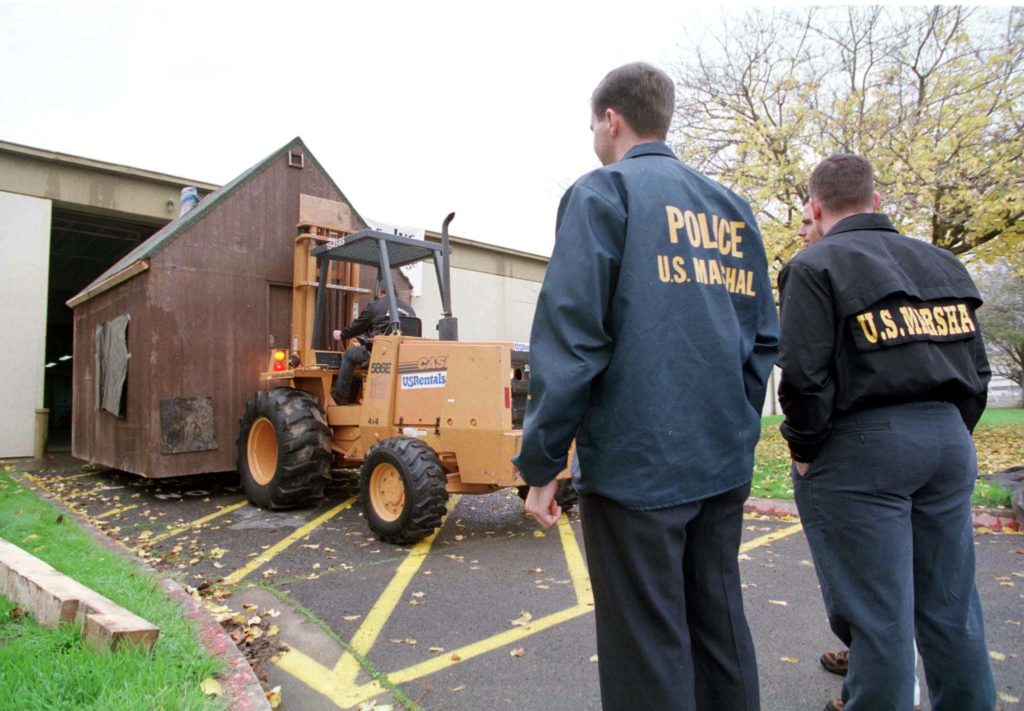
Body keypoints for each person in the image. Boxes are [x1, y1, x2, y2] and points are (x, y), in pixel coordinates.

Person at [513, 62, 779, 710]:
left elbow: (573, 340)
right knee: (720, 632)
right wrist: (736, 429)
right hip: (720, 463)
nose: (593, 136)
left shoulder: (604, 194)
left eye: (593, 123)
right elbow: (762, 340)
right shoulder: (733, 210)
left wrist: (543, 462)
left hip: (638, 473)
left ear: (612, 118)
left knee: (646, 647)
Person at [777, 154, 995, 711]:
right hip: (948, 441)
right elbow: (978, 370)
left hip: (863, 448)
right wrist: (950, 430)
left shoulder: (813, 266)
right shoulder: (945, 264)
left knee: (879, 620)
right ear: (876, 202)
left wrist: (803, 451)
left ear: (816, 208)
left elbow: (804, 377)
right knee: (951, 607)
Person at [331, 286, 415, 404]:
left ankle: (340, 397)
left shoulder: (375, 306)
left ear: (380, 292)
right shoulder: (409, 309)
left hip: (381, 353)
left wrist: (342, 334)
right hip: (403, 355)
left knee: (350, 354)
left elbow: (357, 326)